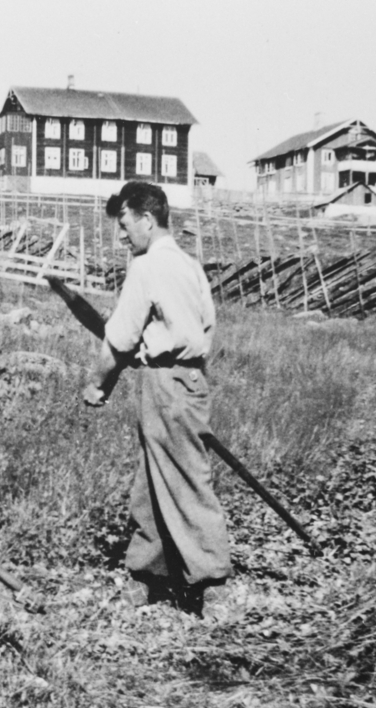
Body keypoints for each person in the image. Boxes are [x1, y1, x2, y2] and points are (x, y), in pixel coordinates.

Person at [85, 181, 229, 614]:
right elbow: (206, 328)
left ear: (147, 220)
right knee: (151, 475)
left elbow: (118, 339)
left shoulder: (146, 267)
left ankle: (213, 582)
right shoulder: (190, 266)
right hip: (189, 379)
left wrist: (97, 383)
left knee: (186, 479)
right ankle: (148, 572)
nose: (122, 235)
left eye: (126, 225)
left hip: (166, 384)